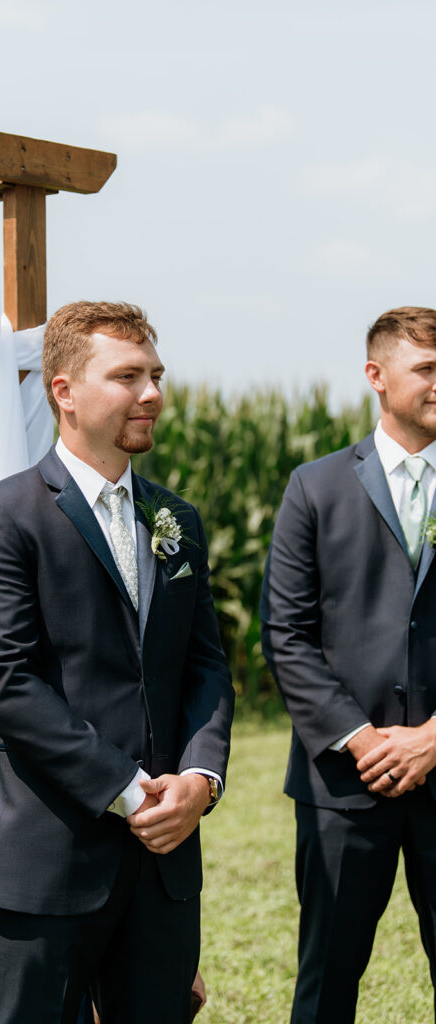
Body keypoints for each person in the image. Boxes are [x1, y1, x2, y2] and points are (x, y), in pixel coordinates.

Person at [0, 300, 234, 1024]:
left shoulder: (177, 523)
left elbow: (204, 667)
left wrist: (200, 780)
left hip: (164, 860)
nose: (152, 395)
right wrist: (133, 794)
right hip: (47, 856)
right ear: (65, 391)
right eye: (128, 376)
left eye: (156, 375)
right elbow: (8, 686)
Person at [261, 305, 436, 1023]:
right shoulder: (316, 485)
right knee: (326, 981)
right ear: (377, 376)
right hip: (342, 782)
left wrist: (432, 739)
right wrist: (362, 740)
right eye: (427, 368)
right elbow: (286, 634)